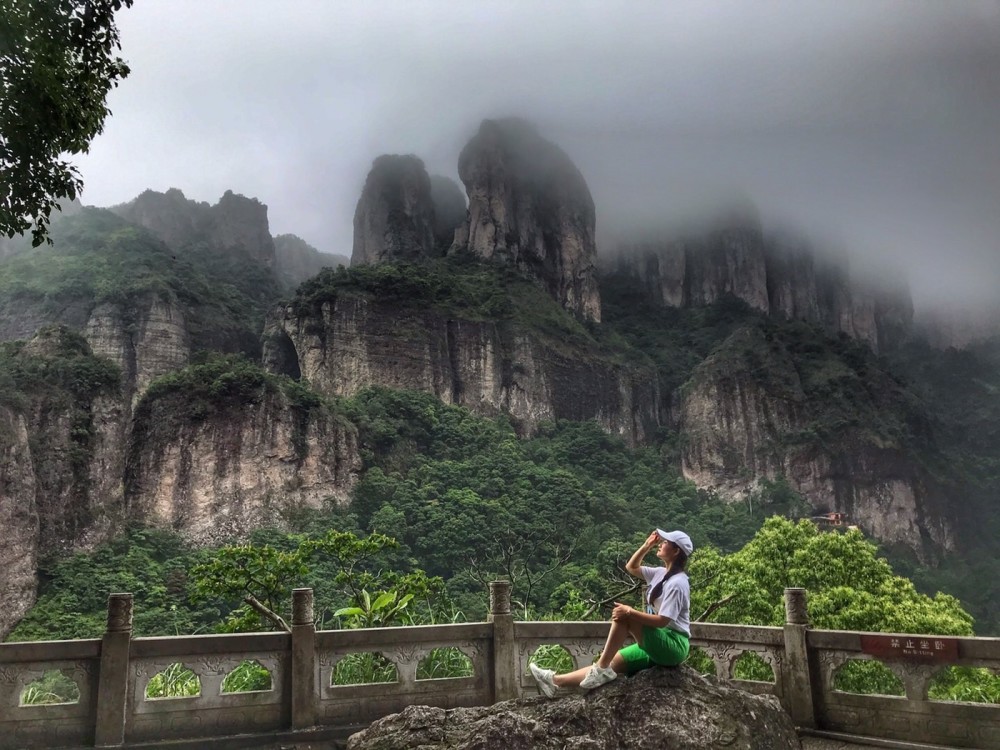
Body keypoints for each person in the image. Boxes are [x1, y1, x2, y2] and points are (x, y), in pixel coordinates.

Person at [529, 528, 693, 697]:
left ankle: (601, 669)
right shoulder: (660, 573)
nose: (661, 543)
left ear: (675, 551)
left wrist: (630, 611)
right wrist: (646, 546)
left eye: (665, 542)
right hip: (660, 638)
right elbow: (631, 567)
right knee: (612, 662)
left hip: (673, 644)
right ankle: (555, 682)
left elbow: (662, 621)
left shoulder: (678, 583)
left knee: (624, 617)